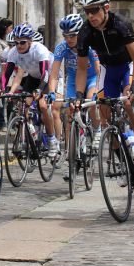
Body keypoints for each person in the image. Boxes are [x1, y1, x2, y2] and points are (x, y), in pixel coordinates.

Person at [74, 0, 134, 180]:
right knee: (105, 115)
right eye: (87, 11)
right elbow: (83, 68)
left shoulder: (121, 24)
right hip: (108, 70)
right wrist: (78, 95)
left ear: (106, 8)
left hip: (128, 66)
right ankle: (122, 162)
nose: (90, 15)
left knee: (128, 103)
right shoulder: (85, 32)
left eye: (94, 10)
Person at [47, 14, 100, 181]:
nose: (69, 39)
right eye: (65, 35)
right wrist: (52, 92)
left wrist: (98, 91)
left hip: (91, 79)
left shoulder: (90, 46)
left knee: (91, 101)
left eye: (73, 35)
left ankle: (97, 130)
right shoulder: (61, 48)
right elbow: (54, 74)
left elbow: (99, 73)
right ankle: (71, 159)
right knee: (70, 117)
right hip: (72, 82)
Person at [0, 23, 59, 157]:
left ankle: (52, 139)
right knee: (24, 106)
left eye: (23, 42)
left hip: (47, 77)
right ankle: (30, 134)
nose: (19, 45)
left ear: (30, 41)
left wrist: (40, 90)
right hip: (32, 77)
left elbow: (45, 74)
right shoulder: (13, 52)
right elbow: (6, 73)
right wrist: (1, 90)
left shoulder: (39, 50)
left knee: (43, 106)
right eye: (16, 42)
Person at [0, 19, 14, 132]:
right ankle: (1, 123)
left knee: (11, 98)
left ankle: (11, 122)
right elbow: (1, 56)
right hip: (1, 72)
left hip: (12, 73)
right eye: (10, 27)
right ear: (5, 27)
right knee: (0, 98)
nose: (12, 29)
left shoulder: (12, 40)